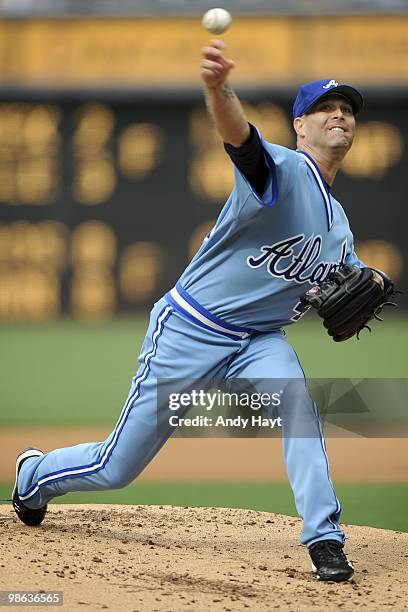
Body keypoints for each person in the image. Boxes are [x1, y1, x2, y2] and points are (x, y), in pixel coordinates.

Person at [12, 39, 367, 582]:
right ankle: (34, 474)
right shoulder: (282, 168)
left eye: (347, 109)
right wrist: (217, 88)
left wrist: (348, 300)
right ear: (300, 125)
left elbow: (346, 294)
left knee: (299, 407)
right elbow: (239, 138)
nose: (339, 114)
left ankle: (324, 537)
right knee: (116, 468)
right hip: (191, 330)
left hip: (259, 341)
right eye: (325, 107)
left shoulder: (339, 225)